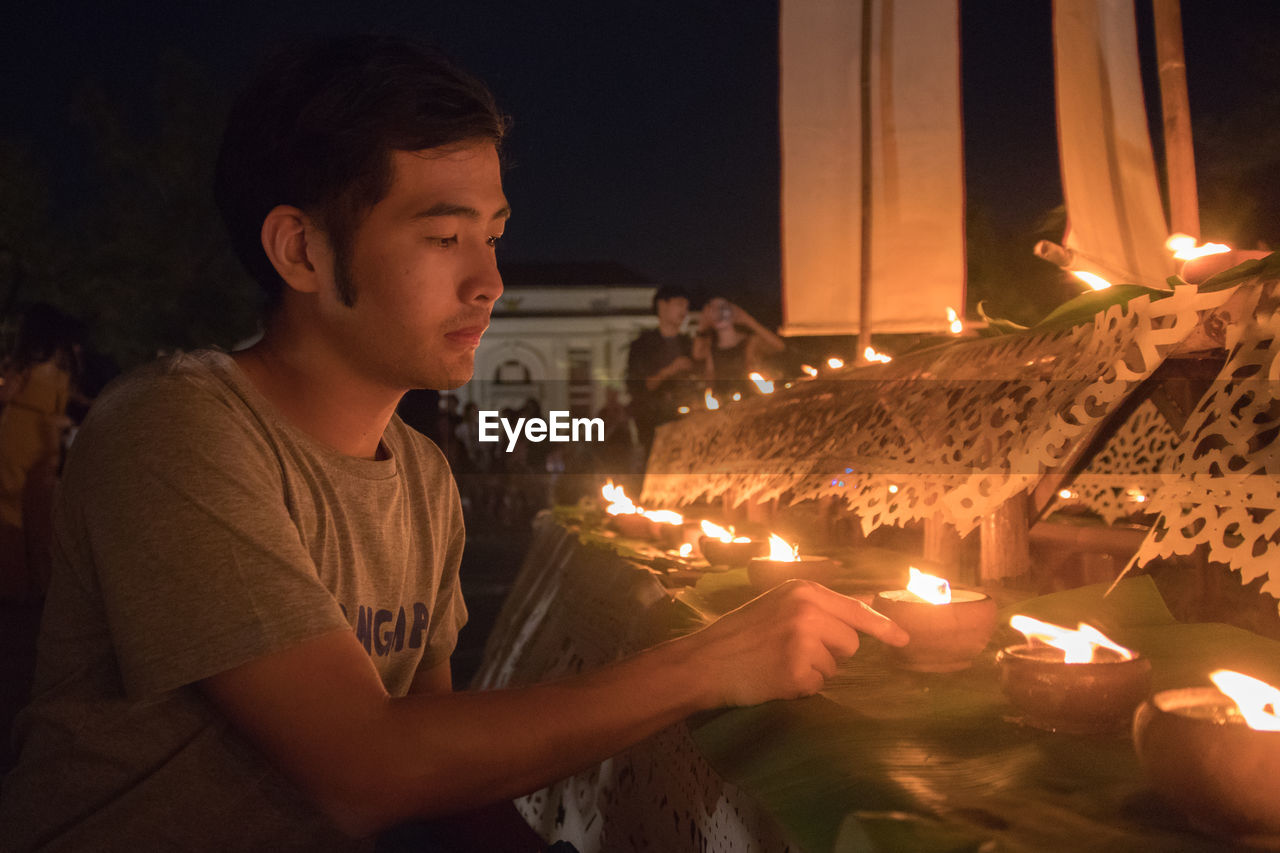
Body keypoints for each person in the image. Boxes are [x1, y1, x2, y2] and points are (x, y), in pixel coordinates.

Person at [0, 35, 908, 851]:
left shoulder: (422, 474)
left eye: (495, 235)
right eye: (443, 236)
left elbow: (433, 759)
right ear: (302, 252)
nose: (490, 283)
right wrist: (705, 662)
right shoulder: (177, 429)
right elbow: (369, 770)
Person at [0, 304, 76, 602]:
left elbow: (6, 394)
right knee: (39, 514)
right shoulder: (64, 365)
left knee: (8, 506)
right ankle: (43, 585)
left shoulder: (26, 362)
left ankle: (11, 582)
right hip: (48, 440)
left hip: (17, 430)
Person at [625, 285, 696, 452]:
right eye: (679, 304)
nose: (684, 311)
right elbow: (638, 386)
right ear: (662, 306)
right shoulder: (642, 346)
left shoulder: (687, 344)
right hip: (654, 423)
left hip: (687, 420)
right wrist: (670, 370)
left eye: (686, 306)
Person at [693, 296, 786, 397]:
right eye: (713, 309)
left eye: (722, 308)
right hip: (727, 405)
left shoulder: (750, 342)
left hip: (754, 401)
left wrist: (747, 320)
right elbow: (697, 355)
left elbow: (779, 346)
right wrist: (702, 325)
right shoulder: (711, 349)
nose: (718, 313)